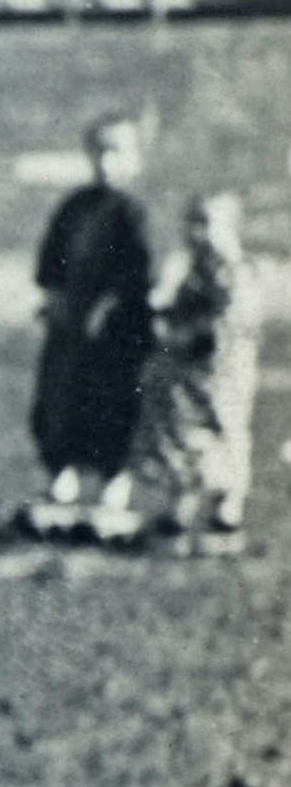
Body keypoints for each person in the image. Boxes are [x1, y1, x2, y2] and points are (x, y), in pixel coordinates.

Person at [24, 117, 157, 539]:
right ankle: (61, 482)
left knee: (113, 403)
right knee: (60, 399)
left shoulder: (133, 213)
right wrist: (56, 299)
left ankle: (111, 487)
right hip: (71, 329)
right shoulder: (75, 207)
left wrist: (109, 308)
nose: (106, 162)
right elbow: (50, 264)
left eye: (117, 152)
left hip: (115, 333)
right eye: (99, 151)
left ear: (134, 158)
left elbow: (140, 273)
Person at [125, 192, 259, 554]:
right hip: (187, 372)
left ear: (229, 227)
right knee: (182, 437)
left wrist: (187, 333)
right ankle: (180, 511)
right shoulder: (193, 268)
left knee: (222, 433)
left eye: (206, 223)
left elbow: (230, 322)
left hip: (220, 372)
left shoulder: (233, 270)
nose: (197, 232)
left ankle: (226, 513)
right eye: (192, 222)